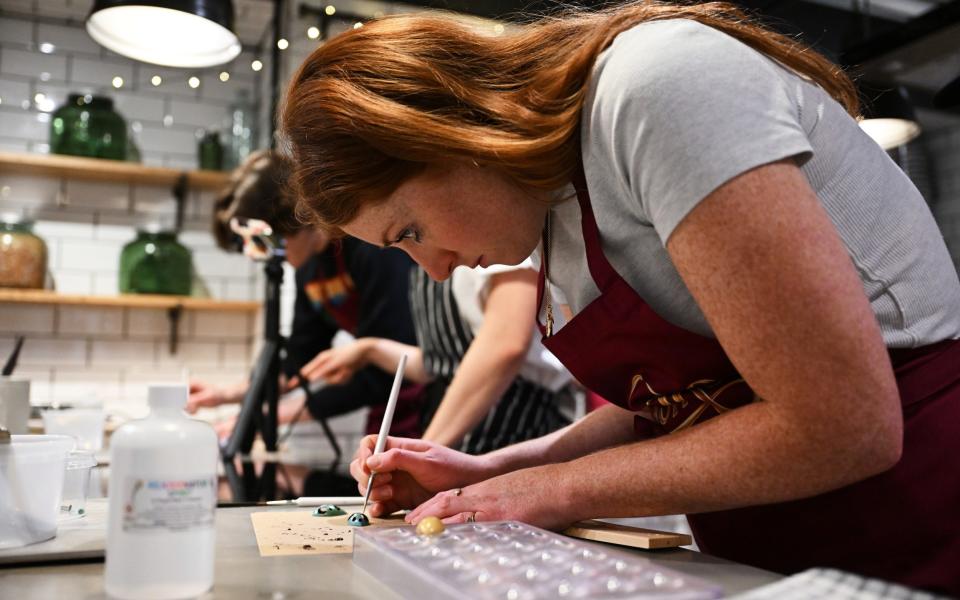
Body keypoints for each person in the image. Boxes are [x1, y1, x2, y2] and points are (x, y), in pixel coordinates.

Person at [278, 2, 960, 595]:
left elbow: (845, 424)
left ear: (452, 136)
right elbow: (683, 403)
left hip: (915, 527)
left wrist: (558, 489)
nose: (432, 271)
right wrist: (494, 471)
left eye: (411, 231)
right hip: (769, 557)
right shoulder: (551, 207)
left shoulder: (656, 88)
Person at [188, 150, 423, 439]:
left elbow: (388, 365)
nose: (260, 256)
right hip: (390, 403)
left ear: (290, 221)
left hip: (430, 394)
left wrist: (264, 418)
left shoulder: (369, 247)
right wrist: (226, 395)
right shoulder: (309, 270)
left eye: (265, 243)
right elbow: (299, 362)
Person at [297, 260, 575, 454]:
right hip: (457, 442)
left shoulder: (498, 247)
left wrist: (425, 450)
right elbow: (441, 365)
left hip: (516, 433)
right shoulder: (425, 268)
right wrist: (370, 350)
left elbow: (505, 346)